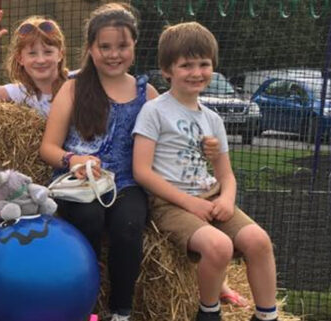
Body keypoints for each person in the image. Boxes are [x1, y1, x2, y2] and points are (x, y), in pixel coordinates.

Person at [132, 22, 278, 321]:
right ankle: (208, 312)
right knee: (219, 246)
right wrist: (190, 203)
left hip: (211, 196)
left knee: (259, 241)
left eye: (204, 64)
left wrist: (226, 200)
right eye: (186, 65)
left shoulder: (213, 119)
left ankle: (267, 315)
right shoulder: (154, 111)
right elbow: (141, 172)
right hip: (170, 203)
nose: (196, 72)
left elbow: (226, 175)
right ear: (166, 70)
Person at [39, 3, 158, 321]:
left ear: (134, 45)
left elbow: (167, 147)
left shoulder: (147, 95)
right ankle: (84, 304)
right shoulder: (74, 87)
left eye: (122, 46)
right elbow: (47, 147)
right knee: (88, 218)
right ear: (91, 48)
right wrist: (73, 159)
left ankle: (121, 311)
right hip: (79, 181)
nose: (113, 54)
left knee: (128, 226)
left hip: (126, 182)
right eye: (104, 46)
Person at [0, 10, 68, 117]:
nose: (40, 60)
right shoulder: (21, 93)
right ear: (20, 58)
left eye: (48, 52)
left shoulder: (76, 85)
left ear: (60, 55)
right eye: (32, 53)